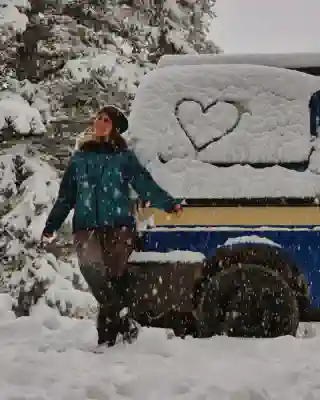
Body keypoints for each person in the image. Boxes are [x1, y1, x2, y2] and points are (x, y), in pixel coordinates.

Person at [41, 105, 182, 347]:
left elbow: (143, 184)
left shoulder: (124, 158)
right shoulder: (80, 158)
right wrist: (51, 225)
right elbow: (66, 197)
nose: (99, 122)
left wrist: (167, 204)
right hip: (85, 229)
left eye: (105, 119)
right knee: (95, 276)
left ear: (114, 128)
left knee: (116, 281)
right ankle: (124, 323)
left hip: (119, 228)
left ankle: (107, 342)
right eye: (97, 118)